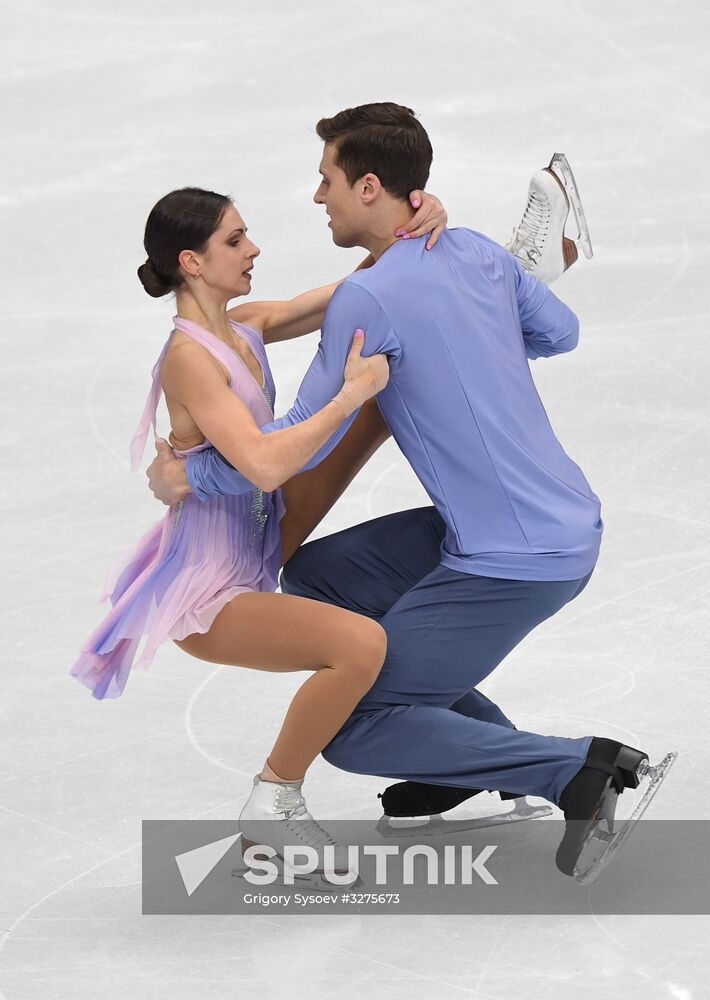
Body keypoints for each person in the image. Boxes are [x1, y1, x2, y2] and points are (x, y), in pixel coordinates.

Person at [146, 102, 673, 880]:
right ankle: (453, 754)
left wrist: (190, 473)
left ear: (367, 186)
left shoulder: (372, 299)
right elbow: (561, 334)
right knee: (321, 578)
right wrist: (475, 315)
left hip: (514, 556)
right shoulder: (475, 256)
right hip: (546, 518)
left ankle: (576, 771)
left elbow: (301, 439)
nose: (317, 196)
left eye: (327, 180)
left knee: (355, 729)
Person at [70, 183, 448, 869]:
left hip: (262, 541)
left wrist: (414, 228)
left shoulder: (242, 327)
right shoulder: (188, 357)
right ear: (191, 260)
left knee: (379, 410)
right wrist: (349, 394)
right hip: (210, 588)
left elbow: (343, 293)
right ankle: (275, 798)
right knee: (361, 647)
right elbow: (266, 467)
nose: (254, 249)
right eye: (235, 240)